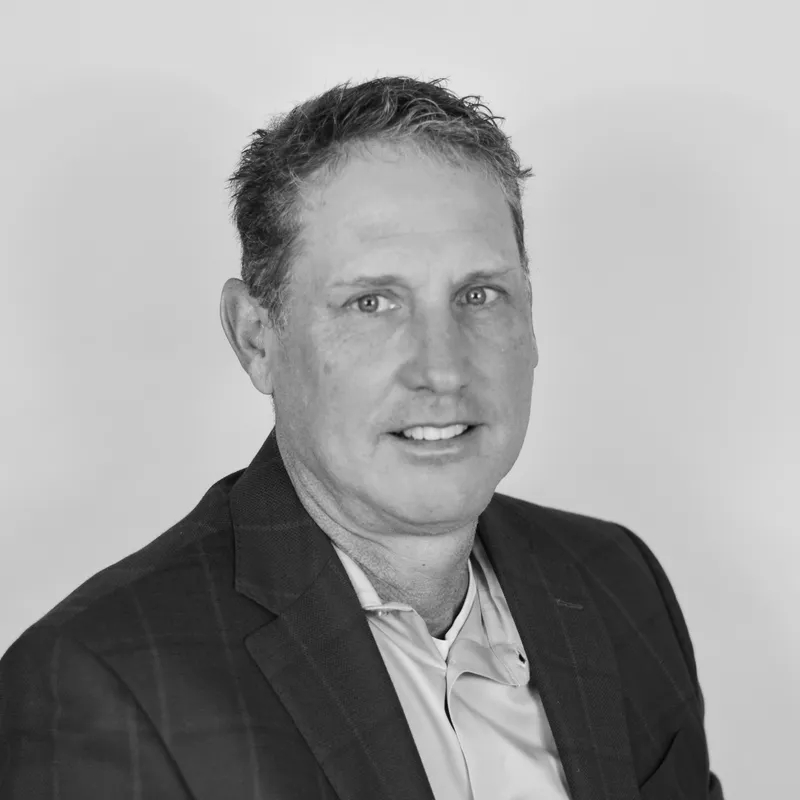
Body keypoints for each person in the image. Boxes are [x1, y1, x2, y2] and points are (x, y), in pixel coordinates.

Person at [0, 76, 723, 800]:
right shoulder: (99, 682)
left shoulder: (618, 582)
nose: (442, 370)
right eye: (372, 303)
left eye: (479, 294)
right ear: (257, 339)